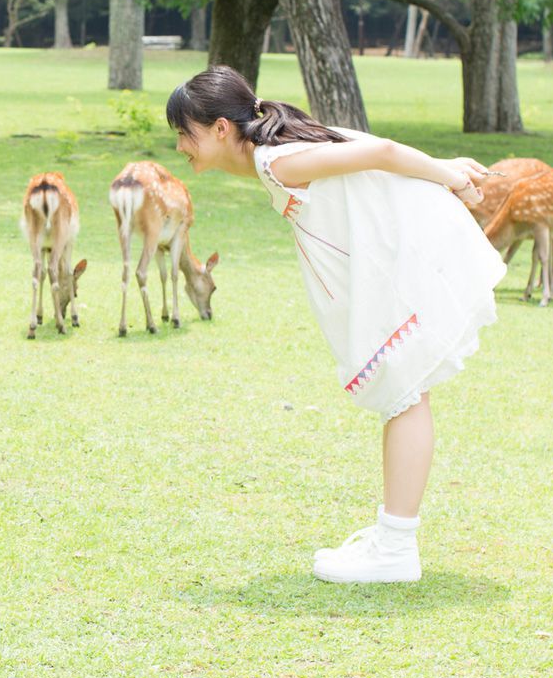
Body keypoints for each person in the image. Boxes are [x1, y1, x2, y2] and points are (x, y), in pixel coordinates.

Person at [167, 67, 505, 583]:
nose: (179, 147)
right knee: (406, 394)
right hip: (392, 251)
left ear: (218, 128)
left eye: (183, 133)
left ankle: (395, 548)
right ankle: (393, 540)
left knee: (405, 394)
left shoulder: (277, 159)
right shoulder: (274, 154)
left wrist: (449, 174)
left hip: (402, 253)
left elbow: (383, 151)